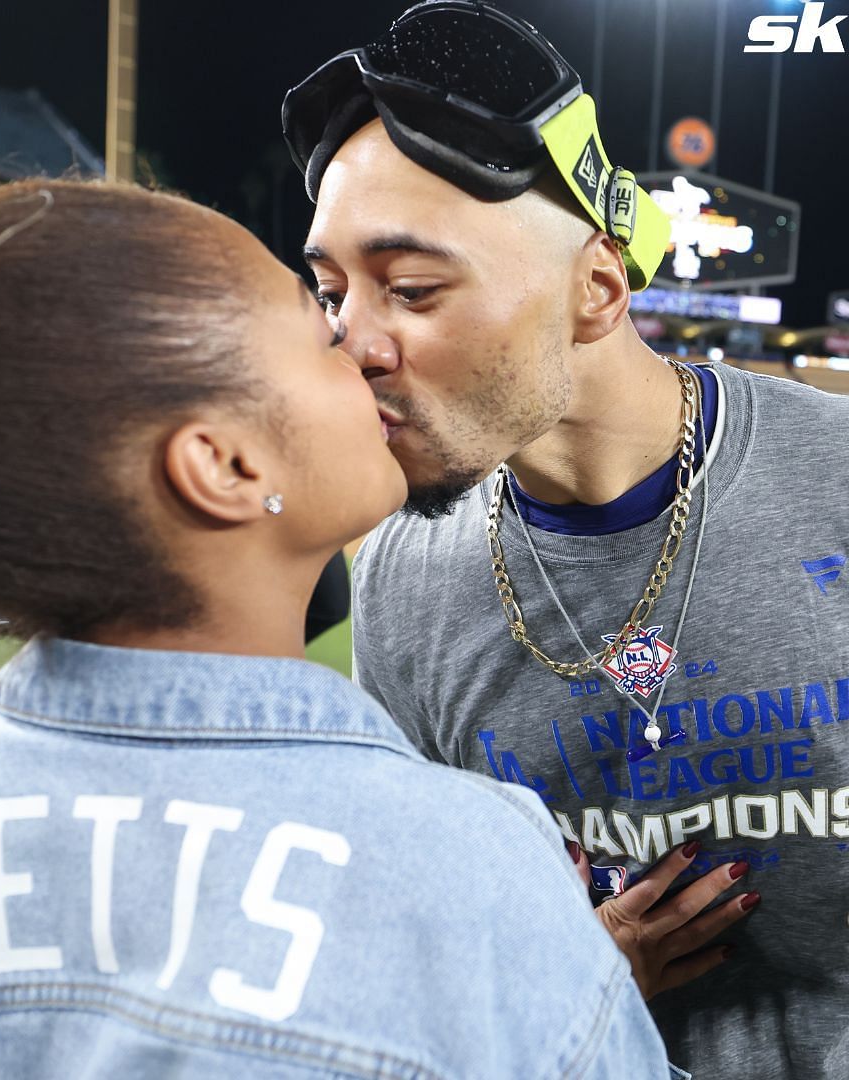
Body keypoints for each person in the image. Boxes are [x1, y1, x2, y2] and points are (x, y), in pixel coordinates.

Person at [0, 178, 673, 1077]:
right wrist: (568, 993)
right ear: (225, 465)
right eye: (322, 328)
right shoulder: (473, 869)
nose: (363, 349)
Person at [284, 4, 828, 1076]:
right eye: (332, 292)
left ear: (597, 290)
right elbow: (427, 943)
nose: (354, 345)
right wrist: (563, 972)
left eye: (412, 288)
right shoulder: (397, 571)